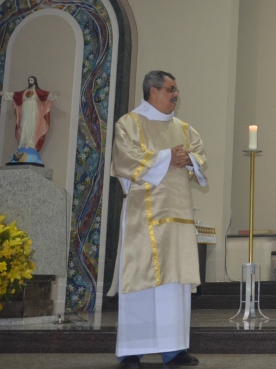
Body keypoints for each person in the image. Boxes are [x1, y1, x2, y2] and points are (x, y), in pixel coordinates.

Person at [107, 70, 207, 368]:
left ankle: (174, 350)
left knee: (174, 287)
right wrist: (167, 157)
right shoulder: (130, 123)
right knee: (141, 282)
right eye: (170, 89)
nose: (176, 95)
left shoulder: (184, 128)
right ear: (153, 91)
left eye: (176, 90)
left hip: (178, 219)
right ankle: (132, 351)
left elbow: (200, 156)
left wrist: (189, 159)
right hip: (144, 218)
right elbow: (124, 159)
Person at [0, 76, 59, 166]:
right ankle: (23, 143)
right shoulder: (24, 92)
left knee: (32, 127)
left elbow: (46, 95)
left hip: (33, 112)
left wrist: (54, 94)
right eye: (29, 80)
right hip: (25, 111)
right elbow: (14, 95)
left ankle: (30, 143)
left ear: (35, 81)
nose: (30, 81)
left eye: (32, 80)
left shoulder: (37, 92)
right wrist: (3, 93)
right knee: (23, 126)